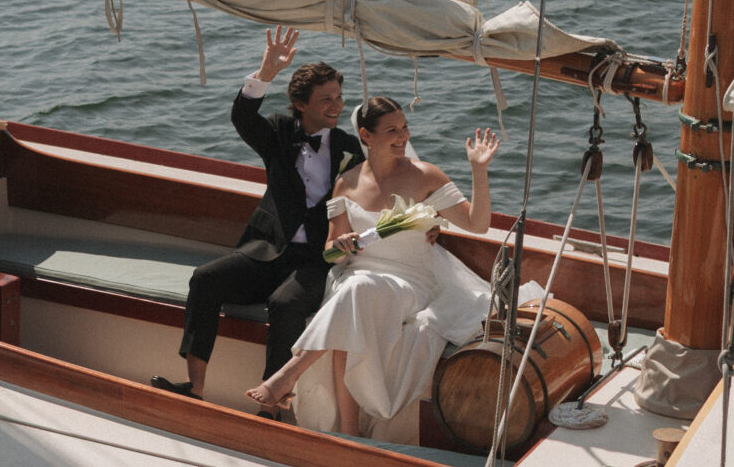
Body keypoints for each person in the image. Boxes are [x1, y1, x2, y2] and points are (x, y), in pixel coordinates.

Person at [247, 98, 500, 440]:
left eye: (404, 127)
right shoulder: (347, 183)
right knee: (356, 293)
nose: (402, 135)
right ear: (366, 135)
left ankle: (289, 373)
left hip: (411, 282)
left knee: (357, 292)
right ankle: (350, 432)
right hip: (356, 275)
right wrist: (340, 246)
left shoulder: (425, 175)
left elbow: (478, 223)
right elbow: (331, 254)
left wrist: (479, 170)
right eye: (392, 130)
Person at [161, 28, 364, 407]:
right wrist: (266, 71)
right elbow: (242, 115)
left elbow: (373, 190)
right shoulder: (277, 132)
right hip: (268, 248)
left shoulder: (350, 147)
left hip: (316, 260)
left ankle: (270, 407)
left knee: (285, 304)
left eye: (338, 97)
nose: (336, 106)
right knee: (205, 279)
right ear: (301, 104)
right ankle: (195, 388)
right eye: (326, 100)